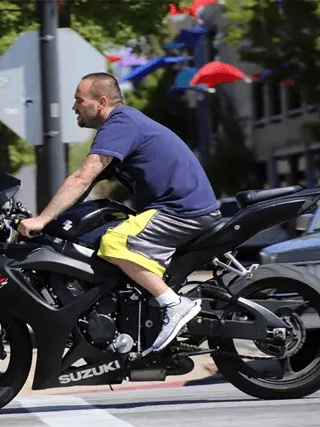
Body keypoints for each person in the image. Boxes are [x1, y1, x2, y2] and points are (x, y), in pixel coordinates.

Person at [17, 72, 221, 356]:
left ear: (101, 102)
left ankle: (174, 305)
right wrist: (53, 221)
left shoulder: (120, 123)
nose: (74, 107)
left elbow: (83, 176)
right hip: (175, 209)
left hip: (180, 210)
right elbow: (85, 185)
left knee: (115, 242)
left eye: (79, 100)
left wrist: (41, 220)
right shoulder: (123, 126)